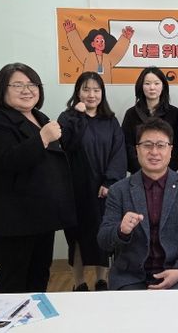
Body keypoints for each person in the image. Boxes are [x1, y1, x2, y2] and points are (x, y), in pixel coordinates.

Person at [0, 63, 76, 293]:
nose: (27, 90)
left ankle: (34, 314)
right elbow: (8, 160)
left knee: (39, 274)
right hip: (13, 218)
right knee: (13, 280)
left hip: (41, 215)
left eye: (32, 84)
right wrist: (42, 139)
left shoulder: (40, 117)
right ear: (2, 90)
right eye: (18, 85)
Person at [98, 118, 178, 290]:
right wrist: (121, 231)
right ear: (137, 150)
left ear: (170, 150)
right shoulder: (119, 190)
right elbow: (103, 240)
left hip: (177, 274)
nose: (154, 152)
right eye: (147, 145)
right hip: (130, 277)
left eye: (161, 145)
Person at [58, 71, 127, 291]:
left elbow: (119, 152)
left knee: (104, 234)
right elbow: (67, 144)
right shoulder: (67, 118)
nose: (91, 95)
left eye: (96, 90)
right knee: (77, 238)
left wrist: (110, 182)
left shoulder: (110, 121)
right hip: (76, 189)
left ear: (102, 93)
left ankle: (101, 279)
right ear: (78, 92)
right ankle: (79, 283)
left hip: (104, 189)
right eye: (86, 89)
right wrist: (78, 116)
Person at [121, 67, 178, 173]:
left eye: (156, 83)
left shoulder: (174, 113)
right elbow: (126, 145)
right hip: (138, 174)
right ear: (141, 86)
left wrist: (165, 171)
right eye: (147, 83)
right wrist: (141, 170)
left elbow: (177, 147)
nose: (152, 87)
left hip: (167, 174)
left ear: (163, 86)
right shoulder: (131, 114)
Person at [62, 19, 135, 83]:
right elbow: (78, 47)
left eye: (102, 41)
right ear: (93, 44)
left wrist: (125, 38)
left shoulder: (108, 59)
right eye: (97, 41)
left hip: (105, 90)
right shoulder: (87, 56)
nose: (100, 43)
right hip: (88, 88)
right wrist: (71, 32)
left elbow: (118, 52)